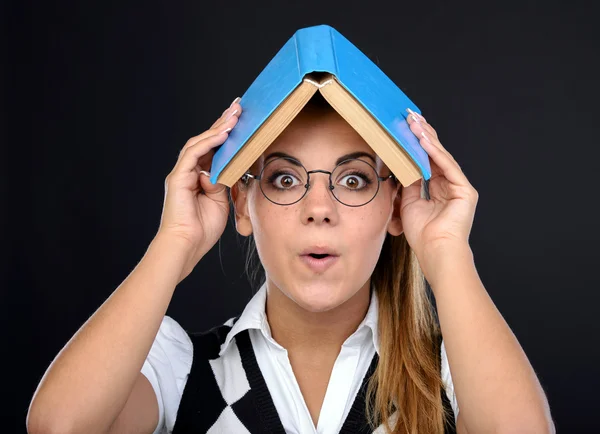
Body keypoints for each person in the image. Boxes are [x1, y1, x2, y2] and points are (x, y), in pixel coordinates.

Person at [26, 94, 555, 434]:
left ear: (395, 205)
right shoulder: (179, 365)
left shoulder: (453, 370)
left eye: (353, 179)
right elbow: (60, 426)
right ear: (241, 205)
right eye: (284, 178)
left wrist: (447, 253)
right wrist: (175, 241)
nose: (318, 210)